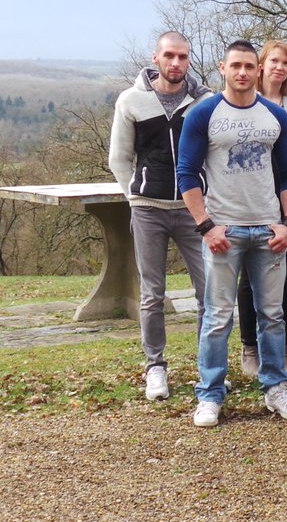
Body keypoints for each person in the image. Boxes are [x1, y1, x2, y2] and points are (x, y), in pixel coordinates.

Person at [176, 39, 287, 428]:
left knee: (272, 314)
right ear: (223, 67)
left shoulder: (274, 116)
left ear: (259, 70)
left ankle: (275, 388)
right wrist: (205, 226)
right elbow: (186, 172)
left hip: (268, 230)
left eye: (250, 66)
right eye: (236, 66)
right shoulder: (204, 114)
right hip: (224, 230)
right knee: (217, 317)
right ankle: (211, 394)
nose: (243, 73)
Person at [108, 31, 211, 401]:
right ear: (156, 58)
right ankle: (155, 367)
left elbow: (214, 155)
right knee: (152, 294)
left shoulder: (204, 102)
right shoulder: (132, 101)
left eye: (182, 57)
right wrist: (135, 195)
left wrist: (207, 198)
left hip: (193, 211)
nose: (176, 63)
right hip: (149, 209)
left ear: (189, 60)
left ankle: (208, 367)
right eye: (169, 56)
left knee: (208, 292)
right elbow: (119, 158)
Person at [236, 40, 287, 377]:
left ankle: (285, 350)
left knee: (283, 277)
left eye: (286, 62)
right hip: (248, 201)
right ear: (261, 65)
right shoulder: (244, 101)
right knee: (247, 277)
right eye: (274, 61)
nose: (280, 67)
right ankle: (250, 349)